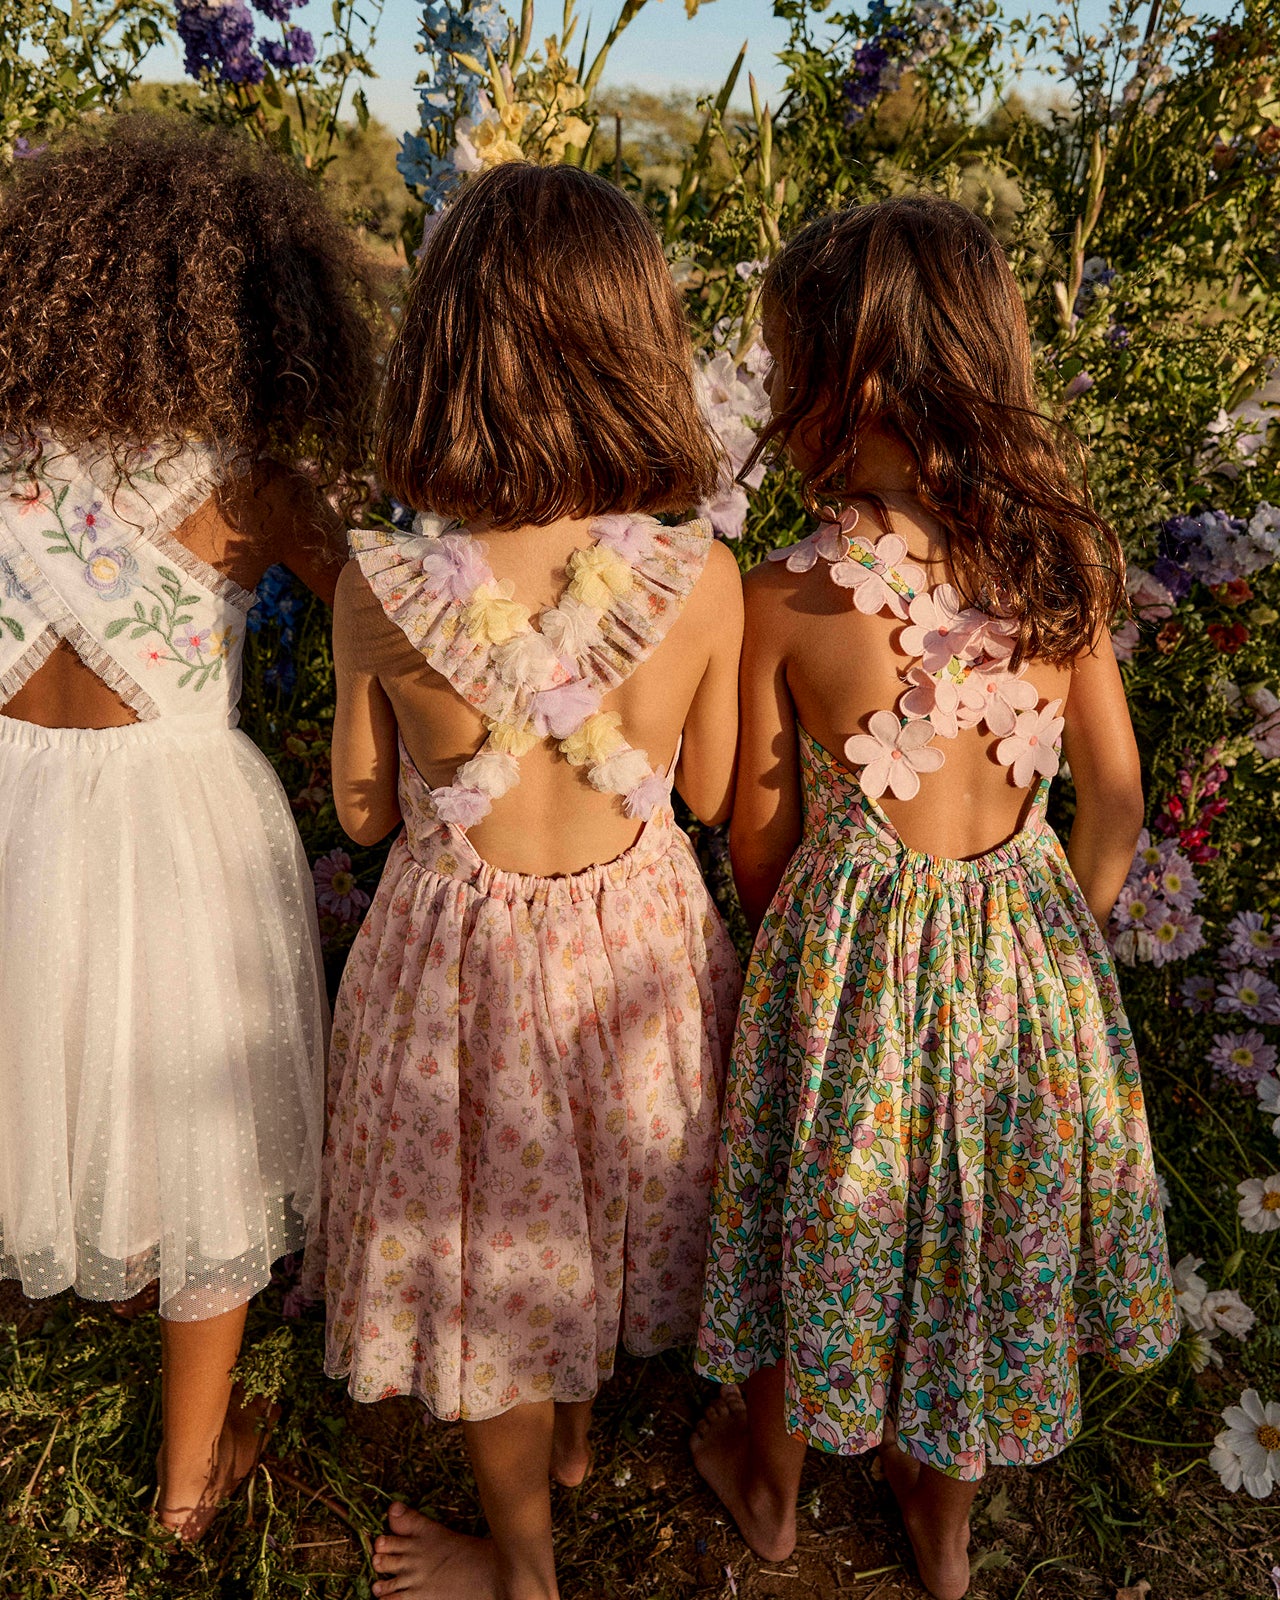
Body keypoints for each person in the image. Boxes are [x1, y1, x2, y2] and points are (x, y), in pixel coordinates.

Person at [693, 196, 1178, 1600]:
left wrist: (815, 960)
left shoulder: (785, 596)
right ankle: (942, 1519)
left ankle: (772, 1486)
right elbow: (1116, 797)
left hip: (855, 976)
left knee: (818, 1209)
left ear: (841, 384)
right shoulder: (1060, 566)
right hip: (1023, 961)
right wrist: (1056, 941)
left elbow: (761, 843)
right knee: (986, 1224)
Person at [304, 161, 744, 1600]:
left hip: (464, 967)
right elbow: (709, 792)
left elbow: (363, 813)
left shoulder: (380, 590)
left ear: (445, 354)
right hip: (635, 957)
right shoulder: (702, 581)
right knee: (597, 1189)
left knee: (492, 1244)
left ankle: (524, 1568)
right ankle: (572, 1443)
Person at [0, 113, 378, 1539]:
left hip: (12, 798)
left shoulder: (6, 453)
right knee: (196, 1141)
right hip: (169, 822)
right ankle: (183, 1485)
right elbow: (376, 606)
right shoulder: (245, 480)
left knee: (33, 1068)